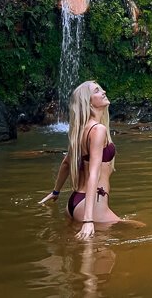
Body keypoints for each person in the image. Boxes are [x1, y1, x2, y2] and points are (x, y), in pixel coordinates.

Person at [39, 81, 120, 240]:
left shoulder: (81, 130)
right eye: (97, 90)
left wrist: (56, 192)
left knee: (83, 253)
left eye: (101, 88)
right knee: (140, 229)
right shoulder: (98, 130)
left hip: (75, 203)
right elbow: (93, 174)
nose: (103, 91)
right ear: (88, 102)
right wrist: (88, 220)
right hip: (91, 207)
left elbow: (66, 163)